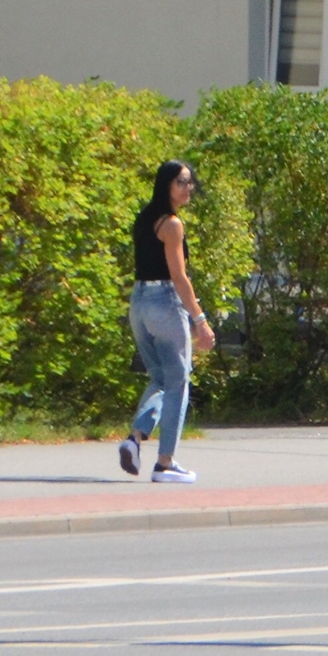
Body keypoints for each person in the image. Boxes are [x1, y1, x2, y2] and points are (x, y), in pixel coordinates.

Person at [117, 160, 215, 483]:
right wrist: (200, 319)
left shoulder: (144, 219)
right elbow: (179, 276)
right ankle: (165, 462)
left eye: (190, 182)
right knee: (179, 382)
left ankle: (134, 439)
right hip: (164, 304)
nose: (189, 188)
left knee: (160, 378)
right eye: (182, 182)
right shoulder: (172, 225)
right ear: (167, 186)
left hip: (139, 304)